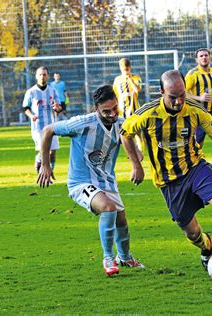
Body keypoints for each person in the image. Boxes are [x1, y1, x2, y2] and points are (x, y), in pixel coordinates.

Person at [120, 70, 212, 284]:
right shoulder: (147, 113)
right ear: (161, 92)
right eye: (173, 97)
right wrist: (136, 164)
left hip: (197, 169)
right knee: (192, 233)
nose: (179, 101)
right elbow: (125, 133)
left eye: (182, 95)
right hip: (169, 182)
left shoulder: (195, 109)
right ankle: (205, 247)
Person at [37, 85, 145, 277]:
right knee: (108, 208)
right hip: (80, 182)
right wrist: (45, 165)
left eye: (114, 109)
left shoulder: (121, 123)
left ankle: (126, 257)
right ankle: (108, 258)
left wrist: (137, 153)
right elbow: (47, 130)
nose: (112, 114)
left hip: (107, 182)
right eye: (106, 111)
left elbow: (135, 132)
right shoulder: (81, 124)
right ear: (96, 108)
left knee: (121, 220)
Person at [185, 48, 212, 177]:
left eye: (206, 55)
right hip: (198, 115)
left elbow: (209, 89)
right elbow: (183, 94)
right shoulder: (192, 74)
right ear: (197, 59)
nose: (204, 57)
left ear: (210, 57)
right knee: (196, 147)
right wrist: (199, 99)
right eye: (201, 56)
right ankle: (191, 176)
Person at [22, 66, 62, 174]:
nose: (42, 77)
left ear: (47, 76)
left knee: (52, 152)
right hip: (38, 127)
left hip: (52, 126)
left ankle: (47, 169)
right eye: (40, 74)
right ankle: (43, 172)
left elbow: (59, 107)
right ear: (36, 76)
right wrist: (31, 116)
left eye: (44, 74)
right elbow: (25, 108)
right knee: (44, 150)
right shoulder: (31, 92)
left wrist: (57, 108)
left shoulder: (53, 91)